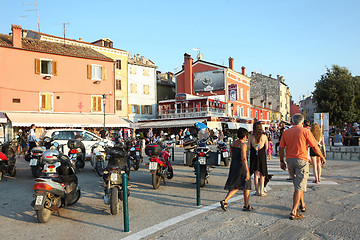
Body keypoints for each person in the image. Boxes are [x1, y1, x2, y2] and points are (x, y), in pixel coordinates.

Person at [279, 113, 326, 220]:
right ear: (303, 122)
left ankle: (302, 204)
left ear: (292, 122)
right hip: (302, 160)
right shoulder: (305, 131)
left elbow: (281, 148)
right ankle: (293, 211)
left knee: (297, 185)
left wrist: (281, 161)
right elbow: (315, 147)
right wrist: (322, 157)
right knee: (299, 186)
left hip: (290, 160)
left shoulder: (286, 132)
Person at [220, 127, 253, 212]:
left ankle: (226, 201)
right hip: (241, 167)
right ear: (245, 136)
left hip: (234, 165)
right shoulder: (243, 145)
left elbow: (231, 155)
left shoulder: (233, 143)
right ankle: (245, 205)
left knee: (236, 185)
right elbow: (244, 158)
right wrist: (247, 171)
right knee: (246, 186)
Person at [249, 121, 269, 196]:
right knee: (262, 174)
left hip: (254, 155)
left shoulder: (251, 136)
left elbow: (248, 147)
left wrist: (255, 148)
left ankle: (256, 191)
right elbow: (266, 147)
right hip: (262, 155)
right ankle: (261, 191)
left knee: (255, 174)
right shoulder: (264, 136)